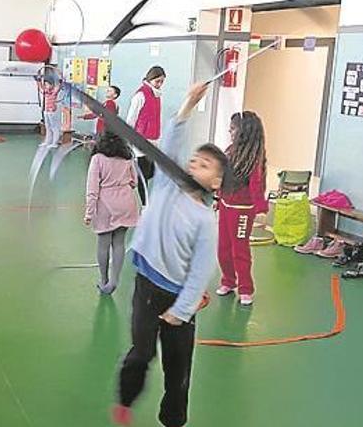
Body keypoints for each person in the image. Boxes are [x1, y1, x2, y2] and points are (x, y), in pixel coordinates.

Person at [113, 82, 228, 427]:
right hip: (147, 287)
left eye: (205, 165)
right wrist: (188, 106)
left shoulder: (206, 219)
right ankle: (125, 401)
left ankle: (173, 419)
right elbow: (171, 143)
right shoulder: (166, 183)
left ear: (217, 183)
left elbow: (200, 271)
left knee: (178, 370)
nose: (195, 165)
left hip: (179, 296)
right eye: (194, 160)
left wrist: (181, 310)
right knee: (141, 353)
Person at [215, 111, 268, 306]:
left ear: (244, 132)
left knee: (240, 250)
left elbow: (256, 185)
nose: (230, 131)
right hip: (225, 205)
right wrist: (218, 197)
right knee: (223, 247)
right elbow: (224, 177)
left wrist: (261, 209)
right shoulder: (230, 151)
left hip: (243, 210)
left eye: (233, 128)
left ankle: (246, 289)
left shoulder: (253, 158)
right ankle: (228, 281)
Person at [84, 131, 139, 295]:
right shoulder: (127, 159)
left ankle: (104, 280)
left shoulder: (97, 159)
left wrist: (89, 212)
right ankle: (115, 280)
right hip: (126, 203)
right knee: (119, 243)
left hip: (106, 206)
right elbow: (134, 182)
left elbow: (92, 189)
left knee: (103, 245)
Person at [125, 66, 166, 206]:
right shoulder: (140, 95)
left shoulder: (158, 96)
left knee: (152, 172)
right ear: (150, 79)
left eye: (162, 82)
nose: (160, 84)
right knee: (143, 176)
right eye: (158, 81)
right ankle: (145, 205)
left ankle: (132, 182)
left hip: (154, 140)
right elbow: (131, 118)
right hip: (141, 141)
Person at [37, 67, 63, 148]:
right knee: (48, 127)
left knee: (54, 127)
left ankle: (54, 142)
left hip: (52, 111)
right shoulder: (45, 92)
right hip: (46, 111)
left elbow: (58, 86)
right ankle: (47, 141)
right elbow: (40, 87)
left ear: (51, 85)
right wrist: (38, 80)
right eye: (45, 84)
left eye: (47, 84)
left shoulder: (54, 92)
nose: (46, 85)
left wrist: (60, 79)